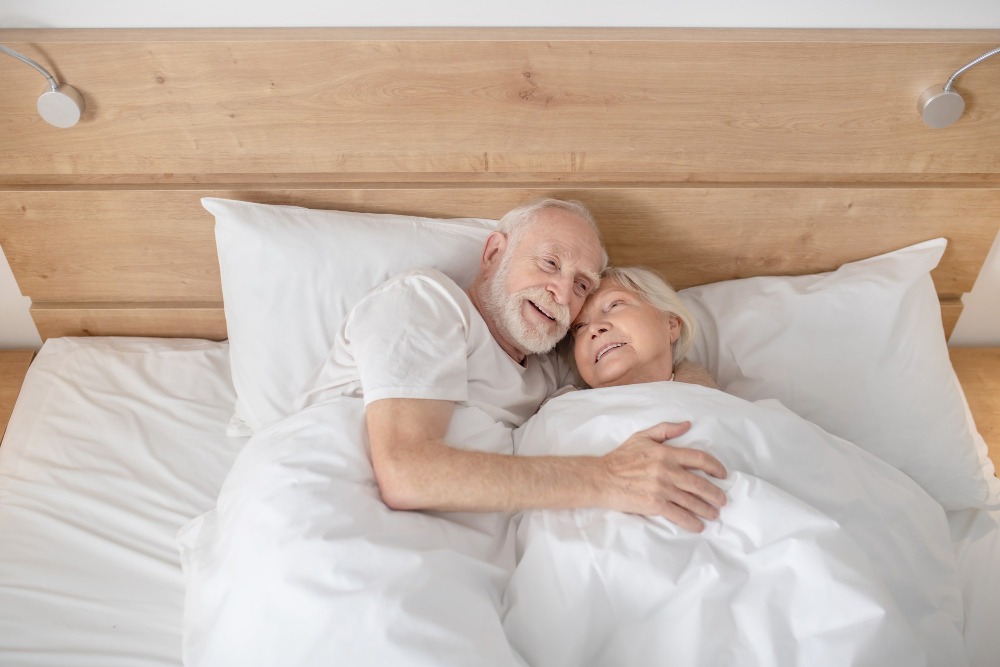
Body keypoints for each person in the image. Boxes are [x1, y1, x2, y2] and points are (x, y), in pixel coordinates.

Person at [313, 196, 729, 521]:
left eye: (582, 285)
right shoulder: (427, 300)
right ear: (494, 253)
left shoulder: (549, 369)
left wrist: (701, 406)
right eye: (550, 263)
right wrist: (609, 478)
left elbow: (650, 371)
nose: (563, 294)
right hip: (339, 512)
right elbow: (406, 472)